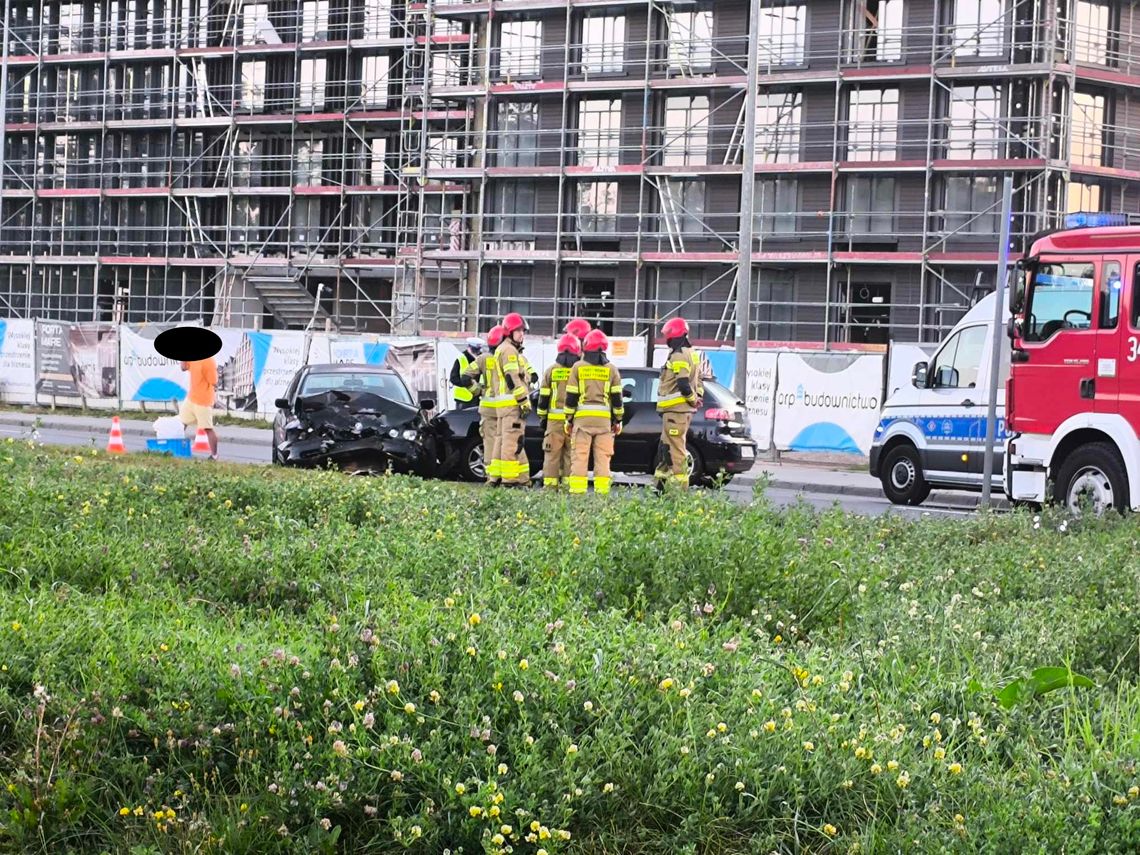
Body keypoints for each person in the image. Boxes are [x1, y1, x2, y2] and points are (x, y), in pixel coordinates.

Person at [564, 329, 623, 495]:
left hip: (582, 421)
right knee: (603, 459)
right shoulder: (612, 369)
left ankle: (577, 493)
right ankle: (602, 494)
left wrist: (568, 419)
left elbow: (571, 397)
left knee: (580, 458)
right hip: (604, 422)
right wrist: (618, 419)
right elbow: (617, 398)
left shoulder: (577, 367)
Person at [654, 316, 703, 491]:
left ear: (673, 335)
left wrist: (692, 399)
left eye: (667, 336)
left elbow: (683, 383)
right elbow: (700, 380)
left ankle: (680, 491)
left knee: (675, 451)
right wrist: (697, 397)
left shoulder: (678, 355)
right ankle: (660, 486)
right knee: (665, 449)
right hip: (676, 412)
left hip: (676, 412)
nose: (666, 340)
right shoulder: (692, 354)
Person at [458, 325, 508, 485]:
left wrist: (478, 390)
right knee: (508, 441)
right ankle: (508, 476)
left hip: (488, 407)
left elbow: (465, 377)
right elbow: (531, 377)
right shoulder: (513, 357)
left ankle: (491, 477)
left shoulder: (483, 359)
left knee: (490, 442)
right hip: (508, 408)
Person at [494, 312, 533, 487]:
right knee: (512, 444)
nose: (522, 335)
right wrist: (523, 400)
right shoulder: (509, 350)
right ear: (509, 332)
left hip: (505, 405)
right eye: (518, 331)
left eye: (523, 332)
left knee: (509, 441)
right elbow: (512, 378)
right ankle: (510, 481)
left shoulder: (503, 348)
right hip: (512, 405)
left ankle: (520, 479)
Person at [537, 333, 581, 489]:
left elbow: (543, 397)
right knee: (571, 455)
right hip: (573, 420)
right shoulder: (579, 370)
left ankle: (549, 487)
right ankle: (567, 486)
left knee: (551, 455)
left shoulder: (551, 371)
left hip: (553, 421)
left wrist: (542, 417)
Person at [178, 356, 219, 459]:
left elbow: (214, 381)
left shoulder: (208, 361)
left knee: (208, 428)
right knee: (181, 423)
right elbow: (183, 368)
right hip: (191, 398)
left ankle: (214, 456)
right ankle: (176, 449)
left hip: (203, 401)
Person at [450, 337, 485, 409]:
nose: (478, 352)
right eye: (475, 350)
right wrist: (468, 383)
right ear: (469, 347)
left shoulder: (482, 359)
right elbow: (453, 378)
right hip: (464, 400)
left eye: (478, 350)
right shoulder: (461, 359)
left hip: (480, 398)